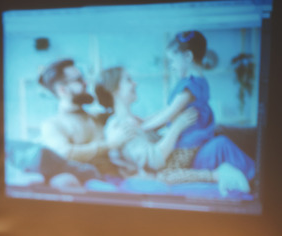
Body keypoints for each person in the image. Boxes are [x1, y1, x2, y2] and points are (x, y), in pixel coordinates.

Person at [95, 66, 249, 195]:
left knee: (220, 143)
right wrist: (177, 126)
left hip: (174, 164)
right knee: (221, 146)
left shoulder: (134, 120)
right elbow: (154, 161)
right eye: (128, 80)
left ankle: (256, 182)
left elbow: (160, 118)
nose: (135, 83)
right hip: (166, 173)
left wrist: (175, 114)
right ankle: (256, 184)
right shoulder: (121, 127)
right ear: (114, 89)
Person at [140, 30, 256, 187]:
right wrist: (143, 121)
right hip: (194, 141)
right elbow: (165, 110)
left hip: (189, 144)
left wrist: (142, 128)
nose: (172, 66)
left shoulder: (191, 86)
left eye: (173, 61)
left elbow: (169, 113)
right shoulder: (196, 82)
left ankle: (218, 175)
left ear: (188, 57)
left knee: (164, 177)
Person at [38, 58, 133, 176]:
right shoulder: (52, 125)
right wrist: (109, 145)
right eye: (79, 80)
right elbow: (64, 153)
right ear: (63, 89)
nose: (86, 83)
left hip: (118, 180)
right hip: (92, 187)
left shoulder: (97, 117)